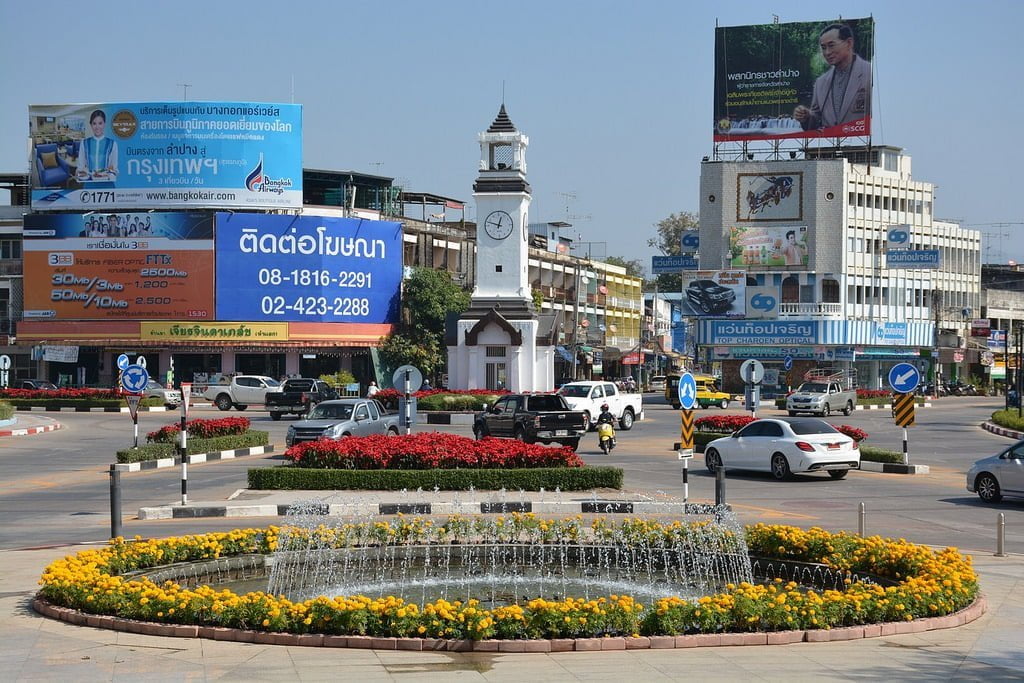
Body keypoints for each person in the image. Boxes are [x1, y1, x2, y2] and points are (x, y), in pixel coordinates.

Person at [793, 23, 871, 131]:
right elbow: (816, 121)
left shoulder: (870, 73)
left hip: (861, 139)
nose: (827, 52)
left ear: (849, 43)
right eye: (823, 48)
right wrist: (806, 117)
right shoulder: (820, 83)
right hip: (830, 141)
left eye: (831, 45)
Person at [78, 109, 119, 178]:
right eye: (94, 123)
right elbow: (80, 168)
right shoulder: (84, 143)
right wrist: (79, 174)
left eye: (100, 123)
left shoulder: (112, 144)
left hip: (106, 182)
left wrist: (110, 174)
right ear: (91, 125)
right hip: (89, 182)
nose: (97, 127)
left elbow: (114, 169)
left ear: (104, 124)